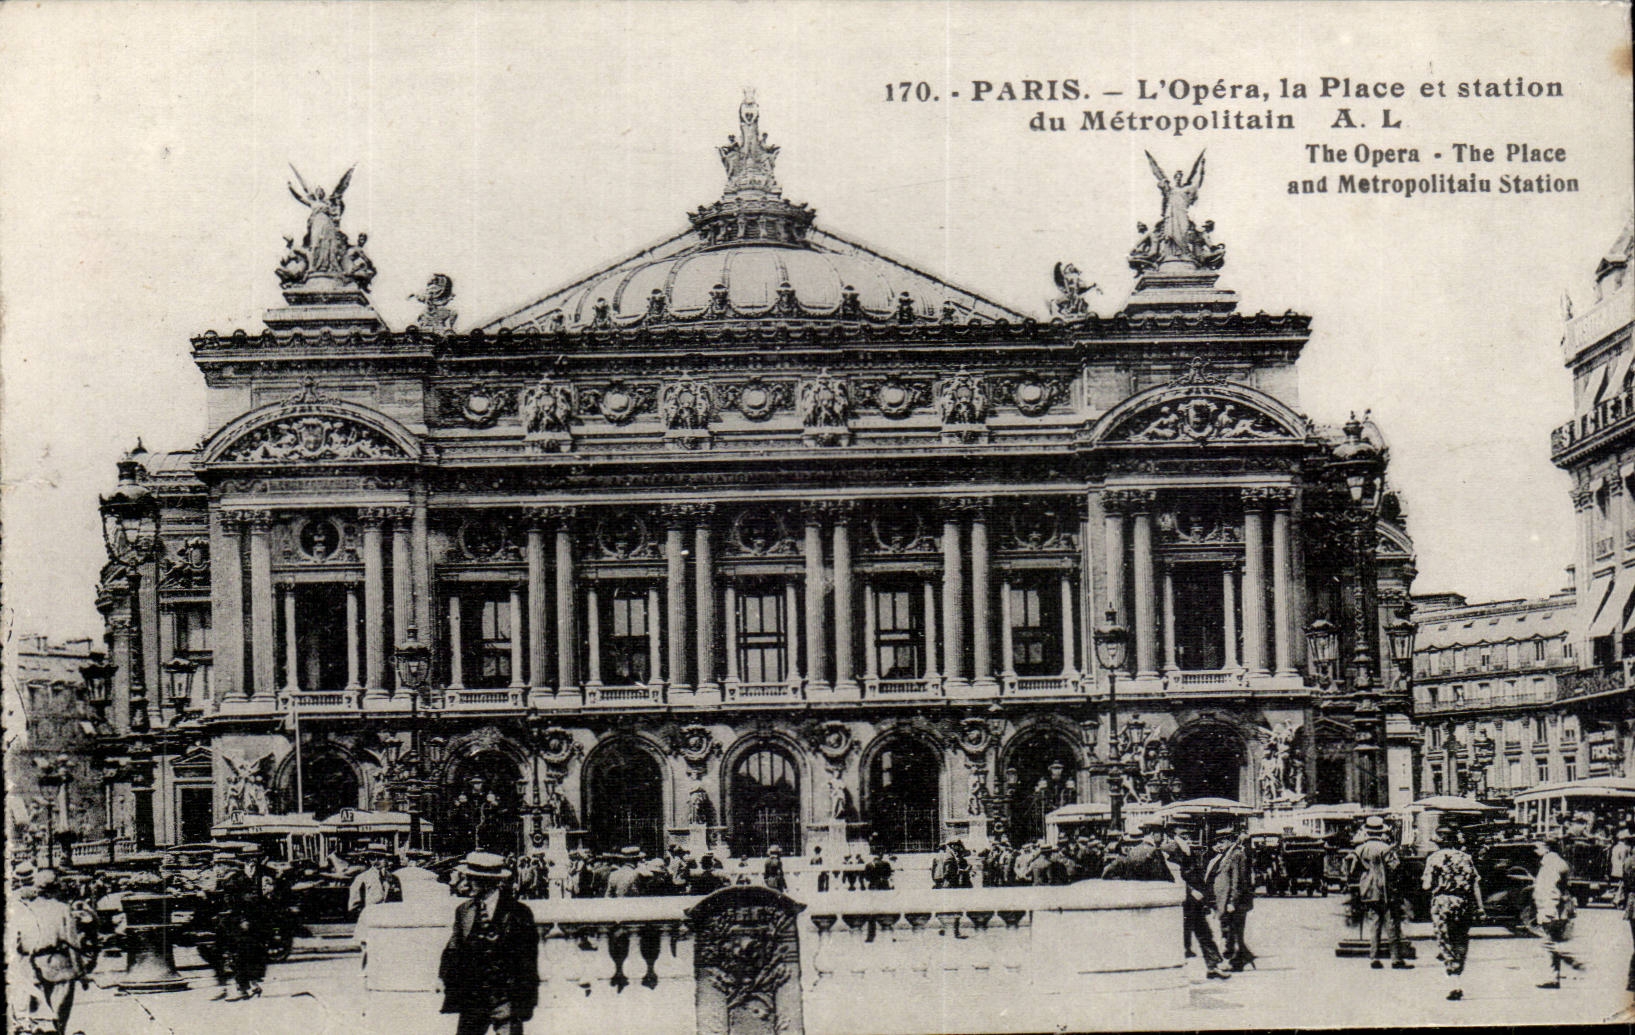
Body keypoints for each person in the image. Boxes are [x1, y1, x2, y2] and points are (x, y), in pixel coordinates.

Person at [438, 852, 538, 1035]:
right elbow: (453, 949)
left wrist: (525, 1000)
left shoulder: (518, 912)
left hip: (506, 997)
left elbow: (527, 960)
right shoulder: (464, 911)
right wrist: (446, 978)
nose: (467, 884)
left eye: (473, 879)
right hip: (474, 997)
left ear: (488, 881)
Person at [10, 868, 86, 1035]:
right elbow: (73, 943)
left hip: (31, 968)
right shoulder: (63, 909)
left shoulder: (26, 909)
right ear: (55, 888)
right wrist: (81, 973)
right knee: (58, 1018)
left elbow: (17, 942)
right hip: (59, 967)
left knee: (39, 1019)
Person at [1421, 825, 1484, 1001]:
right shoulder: (1466, 858)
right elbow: (1475, 884)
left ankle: (1454, 980)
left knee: (1445, 940)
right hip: (1463, 902)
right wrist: (1480, 908)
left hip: (1442, 902)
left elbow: (1426, 885)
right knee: (1461, 938)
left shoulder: (1434, 858)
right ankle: (1459, 968)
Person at [1349, 815, 1410, 970]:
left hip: (1368, 889)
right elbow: (1394, 866)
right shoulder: (1386, 848)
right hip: (1386, 889)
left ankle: (1374, 957)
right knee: (1391, 924)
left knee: (1374, 924)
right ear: (1381, 832)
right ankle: (1396, 959)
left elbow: (1352, 868)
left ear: (1367, 832)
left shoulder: (1360, 849)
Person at [211, 846, 272, 1000]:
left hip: (258, 919)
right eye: (248, 857)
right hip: (239, 920)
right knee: (239, 953)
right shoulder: (236, 877)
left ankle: (247, 986)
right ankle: (247, 987)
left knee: (250, 953)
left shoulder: (266, 874)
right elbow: (229, 897)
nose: (251, 860)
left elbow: (267, 896)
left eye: (254, 857)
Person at [1169, 837, 1229, 980]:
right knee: (1182, 939)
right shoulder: (1171, 851)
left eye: (1188, 836)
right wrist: (1191, 891)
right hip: (1184, 902)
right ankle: (1174, 972)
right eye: (1184, 835)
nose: (1189, 839)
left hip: (1195, 904)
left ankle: (1213, 965)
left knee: (1204, 933)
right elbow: (1175, 879)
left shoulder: (1189, 852)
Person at [1532, 837, 1583, 988]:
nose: (1535, 851)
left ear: (1547, 848)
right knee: (1552, 941)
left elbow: (1550, 889)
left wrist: (1548, 909)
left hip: (1550, 908)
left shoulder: (1550, 865)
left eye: (1537, 847)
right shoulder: (1558, 862)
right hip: (1557, 908)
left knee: (1548, 942)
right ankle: (1553, 976)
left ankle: (1551, 977)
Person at [1208, 832, 1256, 972]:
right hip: (1227, 901)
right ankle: (1243, 958)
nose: (1218, 846)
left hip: (1236, 902)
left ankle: (1238, 960)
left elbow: (1237, 881)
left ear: (1229, 841)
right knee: (1233, 932)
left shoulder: (1236, 855)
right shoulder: (1226, 855)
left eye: (1221, 843)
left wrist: (1232, 902)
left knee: (1234, 931)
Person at [1103, 822, 1173, 882]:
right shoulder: (1154, 852)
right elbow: (1166, 877)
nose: (1163, 838)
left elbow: (1106, 875)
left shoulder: (1125, 857)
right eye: (1161, 834)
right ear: (1152, 834)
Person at [349, 844, 396, 916]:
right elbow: (354, 906)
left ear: (386, 859)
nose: (376, 861)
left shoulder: (393, 878)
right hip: (370, 919)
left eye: (380, 858)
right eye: (372, 858)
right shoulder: (362, 878)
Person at [1613, 829, 1633, 908]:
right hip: (1621, 869)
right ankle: (1618, 899)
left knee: (1622, 884)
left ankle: (1619, 899)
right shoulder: (1624, 848)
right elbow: (1624, 860)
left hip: (1615, 869)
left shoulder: (1615, 847)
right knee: (1624, 884)